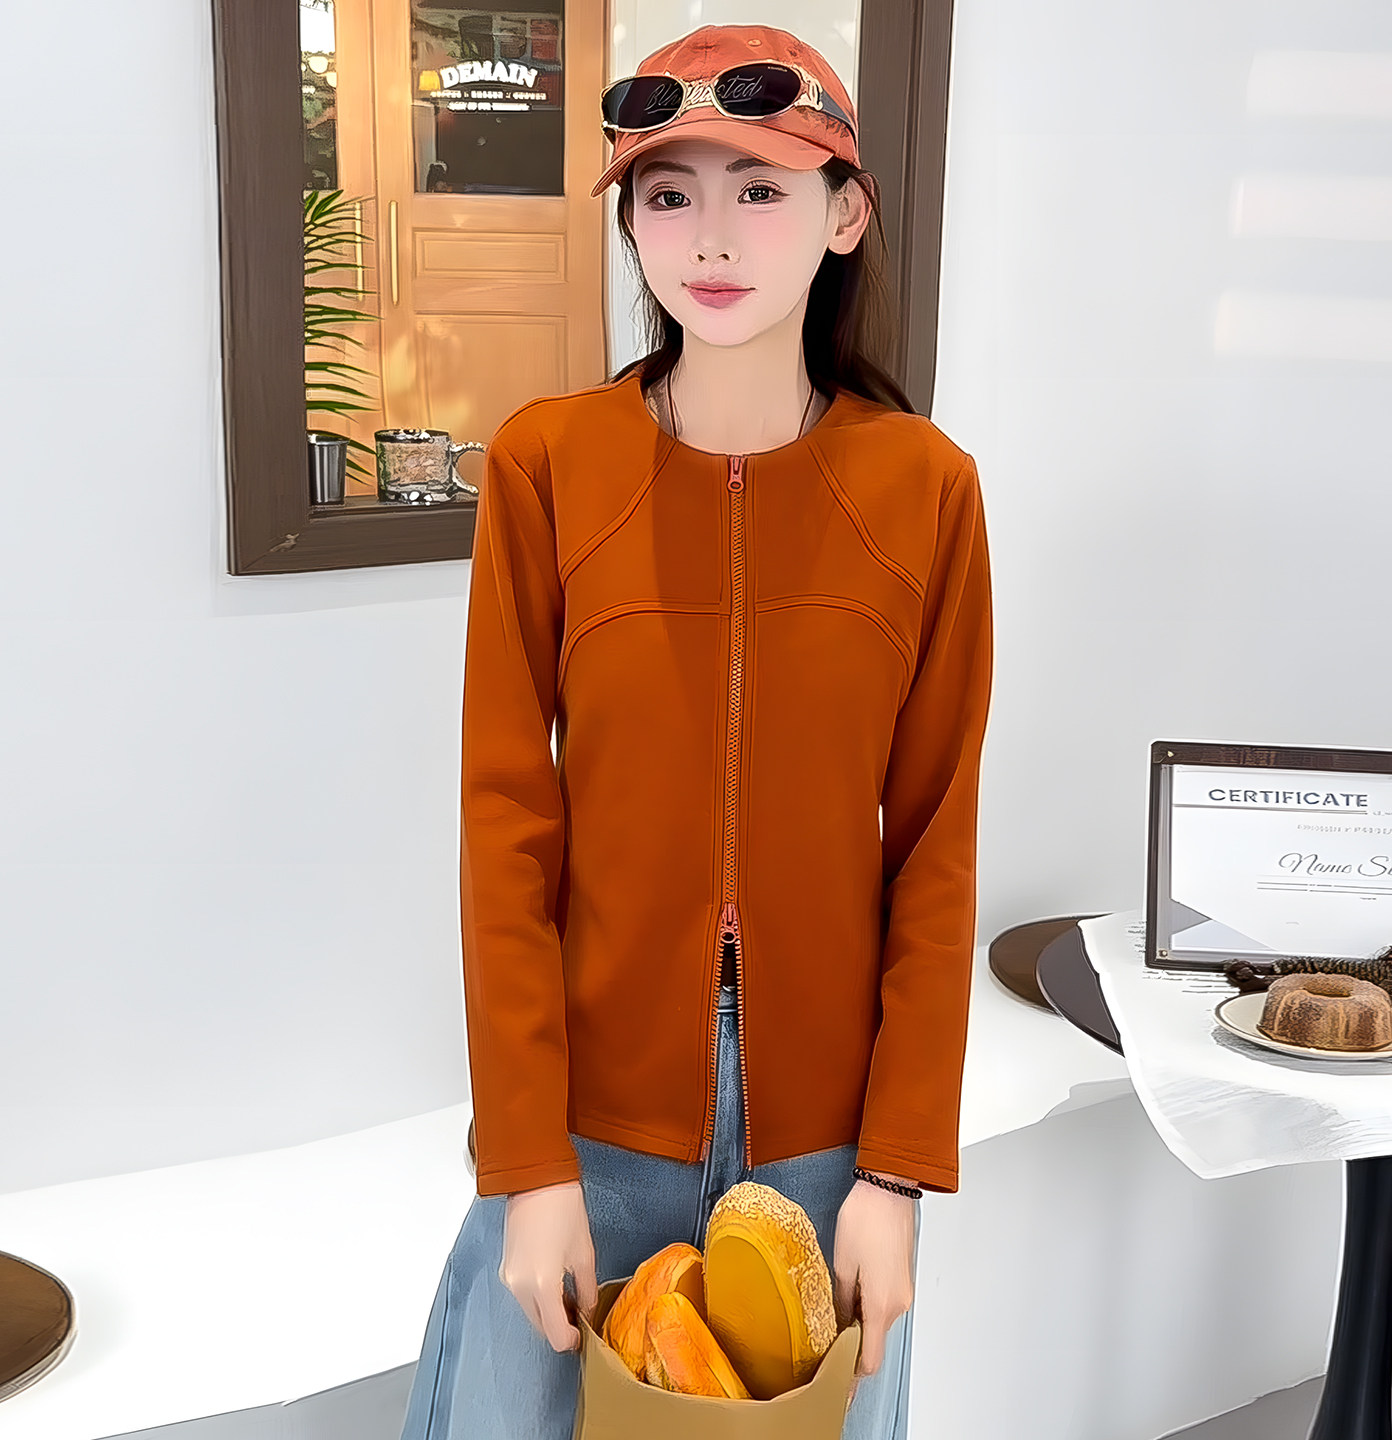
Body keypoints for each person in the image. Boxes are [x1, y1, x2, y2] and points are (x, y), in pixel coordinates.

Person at [399, 22, 994, 1440]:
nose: (710, 237)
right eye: (669, 195)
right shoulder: (548, 464)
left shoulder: (926, 490)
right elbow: (504, 826)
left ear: (844, 216)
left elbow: (935, 844)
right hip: (588, 1127)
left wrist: (895, 1173)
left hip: (827, 1149)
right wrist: (526, 1166)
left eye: (761, 189)